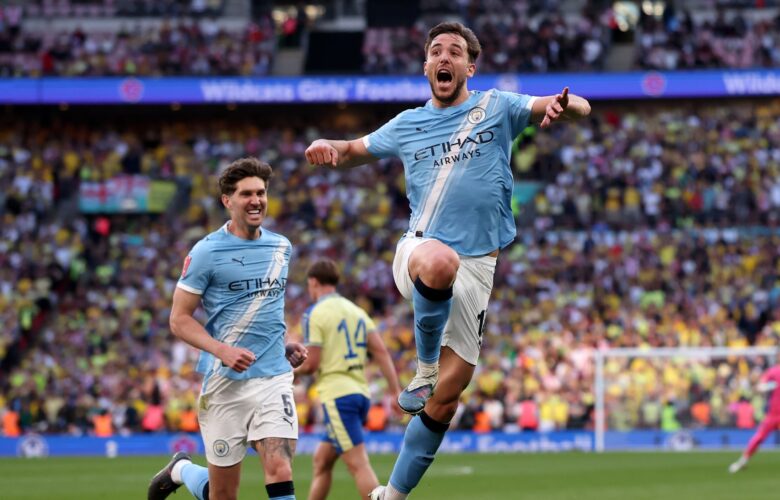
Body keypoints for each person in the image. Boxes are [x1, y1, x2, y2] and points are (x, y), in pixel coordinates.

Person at [305, 21, 590, 500]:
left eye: (454, 52)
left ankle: (390, 494)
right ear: (426, 67)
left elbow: (562, 103)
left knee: (447, 398)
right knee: (439, 265)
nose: (444, 57)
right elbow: (356, 149)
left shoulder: (495, 106)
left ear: (468, 67)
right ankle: (424, 366)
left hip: (480, 267)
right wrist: (330, 146)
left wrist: (568, 105)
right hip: (421, 250)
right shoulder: (407, 123)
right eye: (435, 51)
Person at [147, 157, 308, 500]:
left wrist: (282, 343)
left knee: (279, 466)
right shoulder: (206, 252)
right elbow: (179, 319)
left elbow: (264, 310)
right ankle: (181, 470)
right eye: (246, 193)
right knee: (223, 495)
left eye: (261, 192)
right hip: (224, 384)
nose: (256, 200)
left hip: (273, 377)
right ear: (227, 201)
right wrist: (222, 350)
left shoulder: (281, 246)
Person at [295, 258, 402, 500]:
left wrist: (291, 374)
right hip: (360, 393)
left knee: (358, 465)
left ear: (313, 282)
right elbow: (381, 351)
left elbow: (311, 364)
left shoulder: (314, 313)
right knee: (321, 461)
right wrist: (395, 391)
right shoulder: (357, 311)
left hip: (338, 396)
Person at [729, 352, 780, 473]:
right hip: (774, 413)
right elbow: (760, 386)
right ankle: (743, 461)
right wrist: (769, 385)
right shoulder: (773, 371)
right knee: (759, 437)